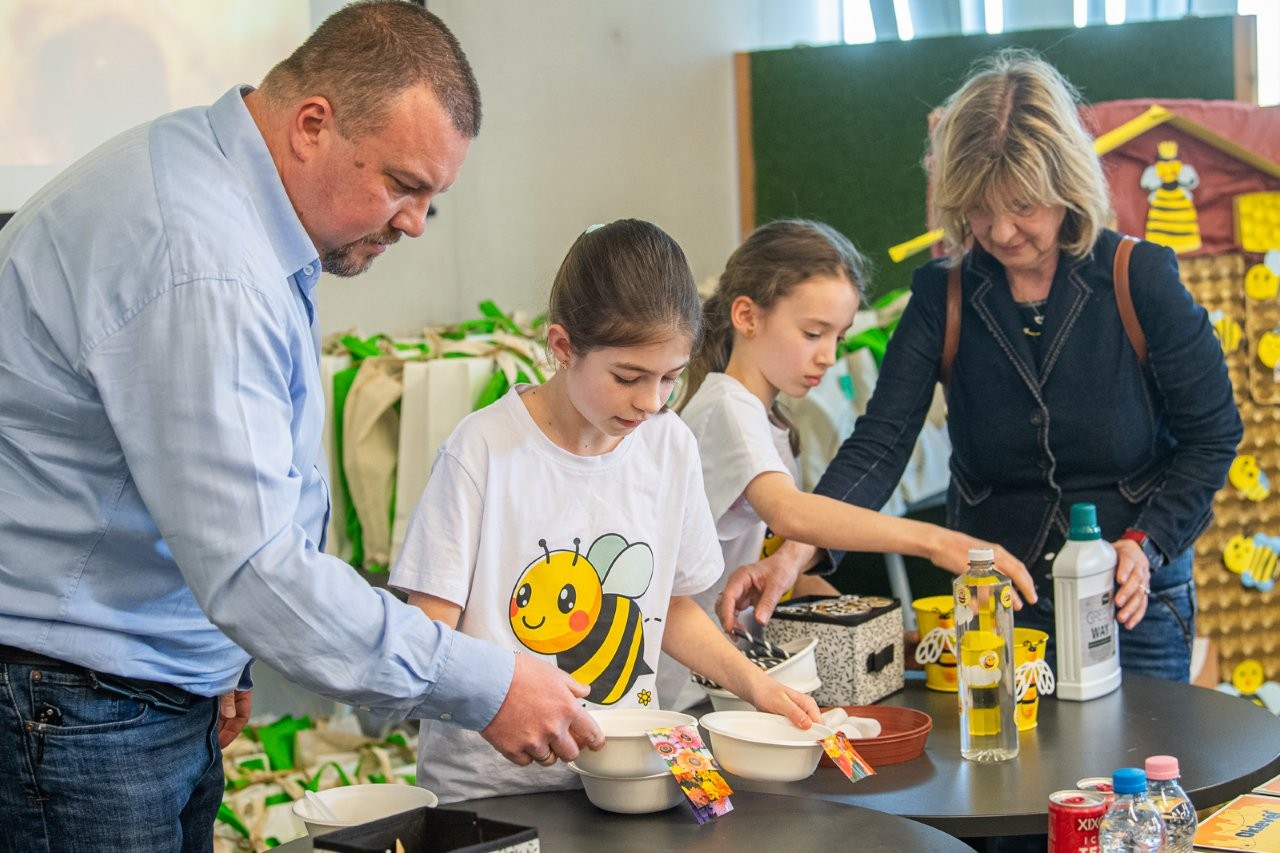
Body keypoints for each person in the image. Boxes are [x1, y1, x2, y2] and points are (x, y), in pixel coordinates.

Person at [0, 4, 601, 851]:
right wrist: (486, 683)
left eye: (433, 197)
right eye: (402, 184)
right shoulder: (202, 258)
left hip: (130, 680)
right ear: (312, 124)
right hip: (77, 700)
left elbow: (231, 493)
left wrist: (222, 648)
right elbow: (253, 566)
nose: (414, 222)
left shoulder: (225, 188)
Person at [719, 50, 1241, 686]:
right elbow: (880, 445)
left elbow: (1213, 436)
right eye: (978, 207)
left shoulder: (1142, 278)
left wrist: (1147, 541)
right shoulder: (941, 296)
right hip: (997, 602)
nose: (1001, 230)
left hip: (1130, 601)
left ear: (1067, 185)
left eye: (1022, 204)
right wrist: (797, 552)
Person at [389, 219, 822, 804]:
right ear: (563, 347)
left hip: (630, 772)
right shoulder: (482, 450)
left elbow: (672, 606)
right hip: (497, 788)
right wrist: (495, 700)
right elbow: (429, 636)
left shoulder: (669, 445)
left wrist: (755, 686)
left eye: (670, 379)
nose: (650, 402)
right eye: (628, 377)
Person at [657, 219, 1035, 711]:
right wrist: (938, 542)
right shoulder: (727, 409)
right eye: (813, 333)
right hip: (691, 694)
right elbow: (790, 515)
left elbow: (776, 571)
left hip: (737, 680)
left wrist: (877, 632)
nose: (829, 357)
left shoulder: (769, 419)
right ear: (747, 316)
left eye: (839, 337)